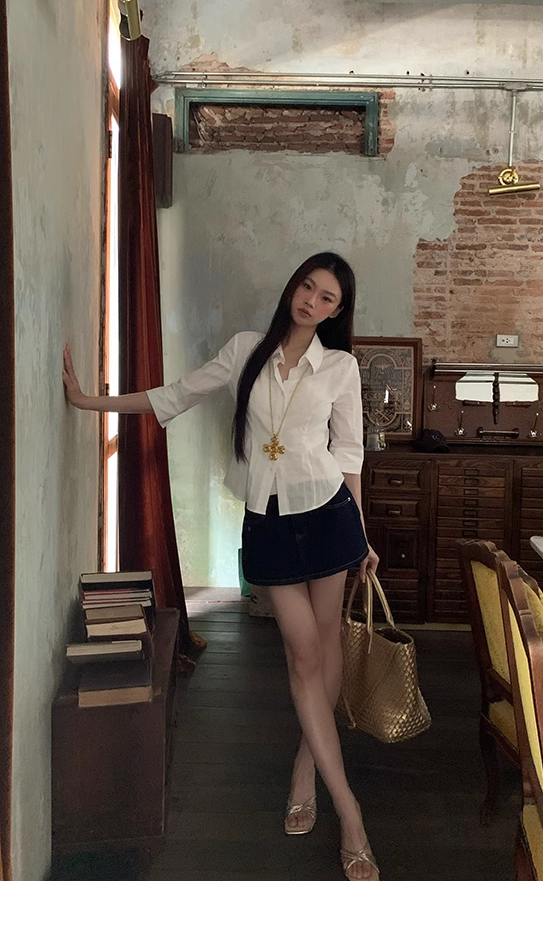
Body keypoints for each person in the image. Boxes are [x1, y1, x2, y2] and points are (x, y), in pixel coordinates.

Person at [62, 251, 380, 882]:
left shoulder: (340, 367)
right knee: (303, 656)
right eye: (307, 287)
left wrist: (362, 537)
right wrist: (88, 401)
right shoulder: (245, 350)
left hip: (330, 516)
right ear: (292, 286)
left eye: (326, 298)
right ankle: (351, 813)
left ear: (337, 312)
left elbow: (349, 453)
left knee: (327, 645)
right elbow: (175, 395)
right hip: (268, 522)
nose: (311, 301)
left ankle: (306, 768)